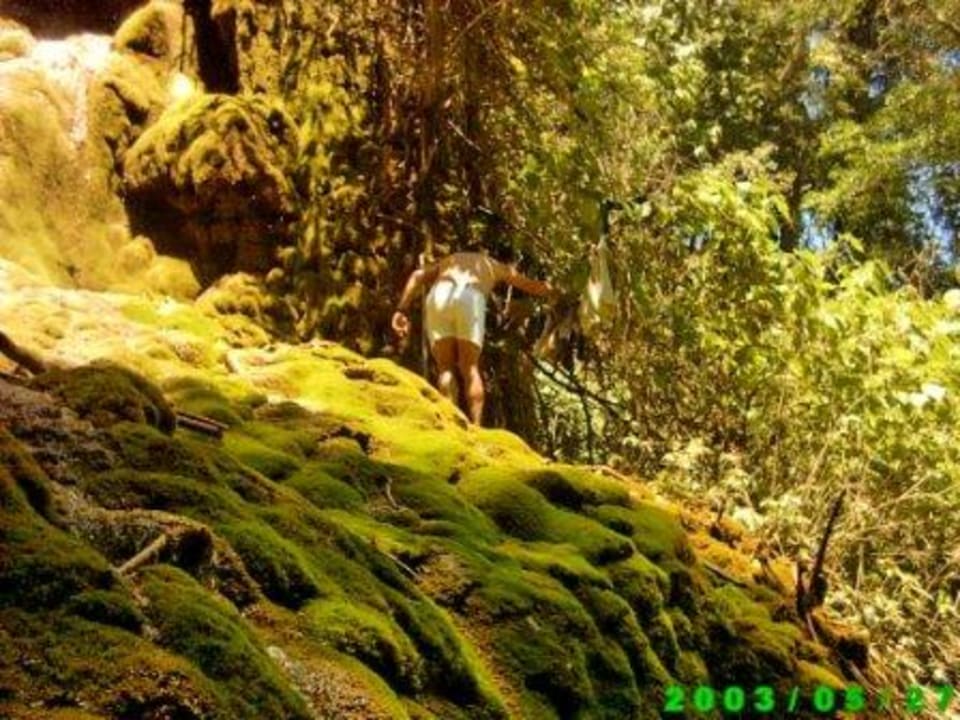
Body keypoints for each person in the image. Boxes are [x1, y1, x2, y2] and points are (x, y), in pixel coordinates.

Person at [392, 250, 554, 425]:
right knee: (469, 368)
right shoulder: (492, 265)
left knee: (445, 368)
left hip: (440, 294)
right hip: (470, 296)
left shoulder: (449, 261)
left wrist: (401, 310)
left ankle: (448, 424)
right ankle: (476, 428)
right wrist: (558, 292)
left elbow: (417, 275)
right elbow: (533, 286)